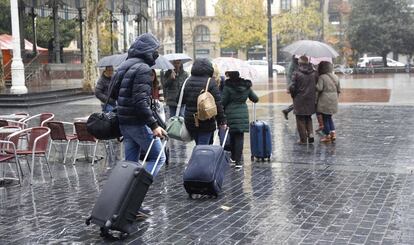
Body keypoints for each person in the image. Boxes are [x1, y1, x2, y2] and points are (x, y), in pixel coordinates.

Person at [114, 33, 167, 177]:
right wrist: (154, 126)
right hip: (138, 123)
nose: (157, 54)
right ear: (149, 51)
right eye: (155, 50)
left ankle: (125, 194)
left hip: (124, 122)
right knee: (159, 157)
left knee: (130, 163)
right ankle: (136, 188)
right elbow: (140, 102)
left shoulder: (123, 66)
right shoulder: (143, 68)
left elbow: (113, 94)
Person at [180, 58, 227, 145]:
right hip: (206, 121)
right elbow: (217, 104)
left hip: (190, 121)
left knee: (200, 144)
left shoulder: (187, 81)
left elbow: (180, 100)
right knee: (203, 148)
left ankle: (201, 157)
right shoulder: (210, 82)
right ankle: (200, 158)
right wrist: (222, 121)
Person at [221, 71, 258, 169]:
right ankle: (238, 161)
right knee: (239, 137)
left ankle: (233, 157)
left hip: (230, 113)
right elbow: (255, 98)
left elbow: (223, 101)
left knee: (232, 135)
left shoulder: (227, 87)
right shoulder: (246, 86)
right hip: (243, 114)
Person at [289, 55, 317, 144]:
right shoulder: (314, 73)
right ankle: (311, 134)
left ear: (299, 63)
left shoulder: (296, 73)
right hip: (310, 99)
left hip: (299, 99)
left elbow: (292, 87)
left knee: (300, 119)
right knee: (308, 117)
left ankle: (303, 139)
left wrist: (293, 95)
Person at [316, 61, 341, 143]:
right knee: (329, 117)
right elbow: (339, 90)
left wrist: (315, 84)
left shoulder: (322, 77)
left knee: (325, 118)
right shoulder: (336, 77)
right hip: (334, 100)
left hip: (324, 100)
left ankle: (327, 136)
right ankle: (333, 133)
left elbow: (319, 88)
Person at [282, 55, 299, 120]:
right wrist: (289, 87)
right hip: (294, 86)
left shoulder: (295, 64)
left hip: (295, 86)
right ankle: (288, 111)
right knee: (298, 101)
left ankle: (287, 110)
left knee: (298, 102)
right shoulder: (293, 65)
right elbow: (289, 77)